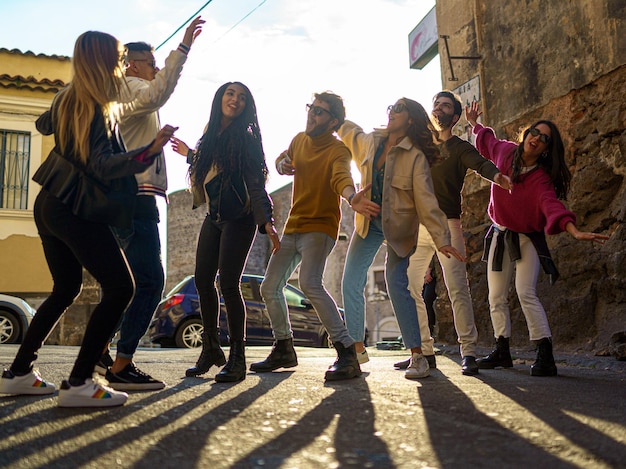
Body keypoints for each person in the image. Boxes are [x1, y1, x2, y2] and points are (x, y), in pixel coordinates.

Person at [0, 31, 176, 407]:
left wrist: (69, 100)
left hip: (49, 202)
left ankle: (18, 373)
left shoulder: (72, 97)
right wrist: (147, 152)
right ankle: (80, 382)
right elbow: (101, 164)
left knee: (65, 289)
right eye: (117, 57)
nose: (122, 64)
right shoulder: (93, 105)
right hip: (74, 207)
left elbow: (43, 125)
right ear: (103, 61)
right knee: (122, 288)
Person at [97, 17, 204, 391]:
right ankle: (121, 363)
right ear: (133, 64)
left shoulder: (124, 91)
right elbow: (157, 93)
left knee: (127, 282)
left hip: (129, 195)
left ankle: (102, 348)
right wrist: (184, 48)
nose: (156, 69)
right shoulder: (132, 88)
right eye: (151, 63)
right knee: (150, 282)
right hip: (135, 197)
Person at [466, 101, 608, 376]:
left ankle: (545, 354)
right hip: (499, 233)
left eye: (544, 139)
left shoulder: (541, 179)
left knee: (525, 292)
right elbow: (488, 140)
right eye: (535, 132)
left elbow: (551, 204)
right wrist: (474, 124)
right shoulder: (505, 152)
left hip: (527, 238)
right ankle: (502, 350)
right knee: (495, 295)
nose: (537, 139)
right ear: (527, 133)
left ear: (546, 149)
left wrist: (573, 229)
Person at [249, 91, 380, 381]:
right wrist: (282, 162)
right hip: (293, 227)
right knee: (269, 287)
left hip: (320, 227)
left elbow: (340, 178)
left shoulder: (338, 151)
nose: (312, 114)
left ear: (333, 121)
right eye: (311, 108)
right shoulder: (299, 139)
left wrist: (351, 197)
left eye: (319, 112)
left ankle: (347, 351)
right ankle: (284, 347)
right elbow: (285, 157)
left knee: (309, 283)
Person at [338, 98, 464, 380]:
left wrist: (441, 238)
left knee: (398, 285)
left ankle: (418, 356)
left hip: (399, 227)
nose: (392, 112)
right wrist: (337, 120)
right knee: (350, 280)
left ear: (410, 119)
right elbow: (353, 135)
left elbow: (426, 201)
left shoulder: (415, 156)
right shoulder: (373, 141)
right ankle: (355, 351)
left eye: (399, 109)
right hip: (369, 223)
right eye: (390, 108)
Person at [394, 91, 512, 376]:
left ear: (455, 117)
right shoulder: (420, 147)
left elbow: (481, 163)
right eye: (436, 103)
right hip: (418, 226)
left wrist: (497, 176)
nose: (438, 108)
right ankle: (423, 350)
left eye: (445, 105)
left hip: (448, 225)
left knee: (457, 287)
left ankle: (468, 351)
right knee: (410, 288)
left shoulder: (459, 148)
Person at [170, 82, 280, 382]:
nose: (235, 100)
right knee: (202, 280)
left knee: (229, 285)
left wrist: (266, 220)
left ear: (247, 106)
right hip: (215, 216)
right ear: (220, 98)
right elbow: (215, 167)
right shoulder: (212, 132)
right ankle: (211, 349)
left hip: (240, 218)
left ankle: (237, 358)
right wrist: (190, 154)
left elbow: (255, 182)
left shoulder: (245, 138)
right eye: (231, 94)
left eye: (242, 97)